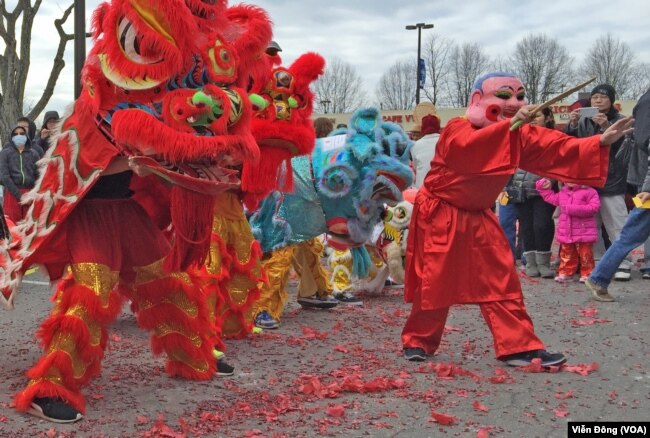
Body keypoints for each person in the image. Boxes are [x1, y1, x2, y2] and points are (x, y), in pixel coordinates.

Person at [401, 71, 632, 367]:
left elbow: (554, 147)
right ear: (477, 99)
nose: (514, 102)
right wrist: (510, 124)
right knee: (434, 281)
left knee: (501, 279)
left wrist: (599, 141)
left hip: (479, 214)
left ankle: (517, 345)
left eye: (520, 96)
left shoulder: (516, 132)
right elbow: (465, 151)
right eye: (504, 95)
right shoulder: (457, 128)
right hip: (440, 213)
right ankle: (418, 340)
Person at [586, 89, 650, 301]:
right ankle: (599, 277)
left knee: (627, 233)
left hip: (639, 180)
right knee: (628, 233)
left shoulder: (643, 101)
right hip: (644, 183)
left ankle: (599, 278)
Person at [565, 84, 632, 281]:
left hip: (612, 180)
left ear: (611, 100)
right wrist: (573, 125)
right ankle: (596, 262)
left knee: (617, 224)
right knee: (590, 227)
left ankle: (623, 262)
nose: (598, 100)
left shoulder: (621, 120)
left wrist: (605, 127)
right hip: (588, 181)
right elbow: (571, 146)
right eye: (594, 97)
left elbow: (625, 149)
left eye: (602, 97)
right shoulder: (584, 120)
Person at [506, 108, 558, 278]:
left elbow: (559, 161)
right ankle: (531, 263)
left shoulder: (554, 136)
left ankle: (543, 262)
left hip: (543, 189)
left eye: (538, 116)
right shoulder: (520, 134)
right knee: (526, 227)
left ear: (547, 117)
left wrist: (552, 179)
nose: (534, 119)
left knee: (542, 225)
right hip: (521, 187)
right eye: (531, 116)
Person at [536, 178, 600, 283]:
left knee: (586, 255)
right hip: (566, 231)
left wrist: (571, 209)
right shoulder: (563, 192)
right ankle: (566, 273)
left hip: (584, 232)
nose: (570, 180)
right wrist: (541, 186)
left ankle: (587, 273)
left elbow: (593, 208)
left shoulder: (590, 191)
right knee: (566, 254)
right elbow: (550, 197)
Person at [0, 125, 41, 222]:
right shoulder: (5, 153)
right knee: (12, 224)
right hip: (12, 194)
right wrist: (19, 195)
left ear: (26, 136)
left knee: (30, 224)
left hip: (30, 195)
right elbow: (5, 176)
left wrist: (33, 194)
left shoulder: (34, 154)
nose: (19, 136)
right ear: (12, 137)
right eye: (16, 134)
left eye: (22, 133)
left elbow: (39, 176)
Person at [410, 114, 441, 188]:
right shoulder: (446, 141)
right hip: (441, 187)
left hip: (422, 188)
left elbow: (415, 166)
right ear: (438, 126)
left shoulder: (414, 145)